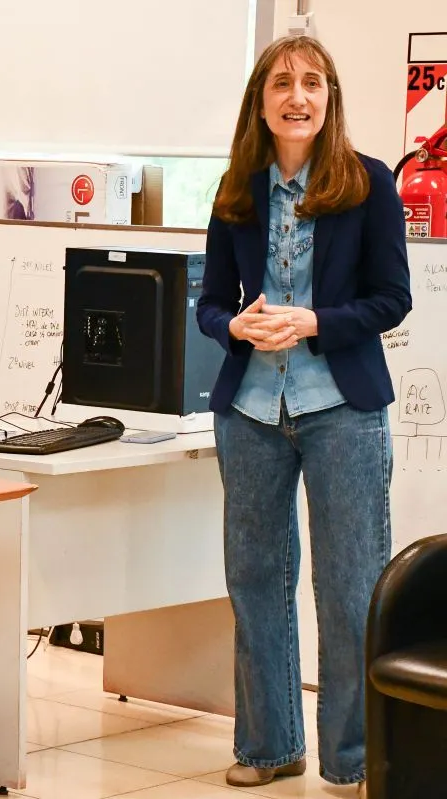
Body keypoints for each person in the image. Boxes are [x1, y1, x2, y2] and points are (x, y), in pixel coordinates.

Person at [196, 35, 412, 796]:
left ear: (330, 99)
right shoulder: (236, 189)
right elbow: (210, 303)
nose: (298, 96)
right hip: (250, 409)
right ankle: (269, 745)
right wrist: (234, 326)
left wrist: (316, 321)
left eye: (313, 83)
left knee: (350, 590)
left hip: (341, 410)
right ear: (260, 101)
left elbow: (392, 299)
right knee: (256, 582)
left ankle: (353, 759)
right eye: (282, 83)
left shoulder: (369, 183)